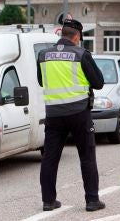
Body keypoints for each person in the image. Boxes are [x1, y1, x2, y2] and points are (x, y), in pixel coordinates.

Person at [37, 18, 105, 212]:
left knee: (50, 158)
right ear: (77, 36)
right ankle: (92, 201)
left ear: (61, 34)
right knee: (87, 157)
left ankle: (48, 201)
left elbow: (42, 81)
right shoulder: (81, 54)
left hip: (54, 114)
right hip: (79, 113)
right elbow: (98, 82)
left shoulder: (43, 55)